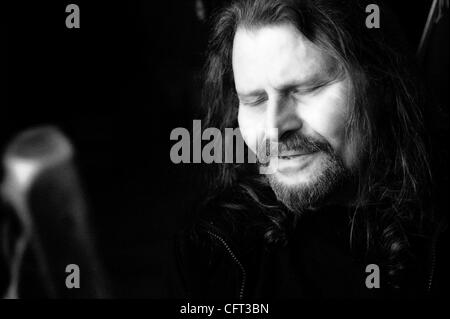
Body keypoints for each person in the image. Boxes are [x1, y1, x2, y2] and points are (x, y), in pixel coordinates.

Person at [161, 0, 447, 299]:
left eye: (306, 89)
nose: (274, 128)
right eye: (255, 100)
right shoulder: (210, 253)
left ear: (381, 84)